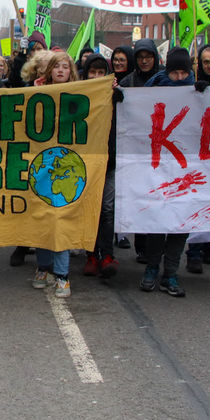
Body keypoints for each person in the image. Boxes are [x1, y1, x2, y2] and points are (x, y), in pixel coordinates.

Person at [137, 48, 195, 297]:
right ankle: (151, 268)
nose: (180, 78)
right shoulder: (150, 91)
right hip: (158, 169)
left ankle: (170, 273)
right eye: (175, 72)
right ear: (166, 71)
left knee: (180, 224)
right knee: (157, 222)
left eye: (184, 72)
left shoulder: (199, 92)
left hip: (188, 171)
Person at [82, 53, 121, 280]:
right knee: (88, 210)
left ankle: (107, 254)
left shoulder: (115, 96)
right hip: (86, 162)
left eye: (100, 73)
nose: (96, 77)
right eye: (92, 72)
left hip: (109, 161)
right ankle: (90, 255)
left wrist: (117, 96)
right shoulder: (77, 95)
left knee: (106, 210)